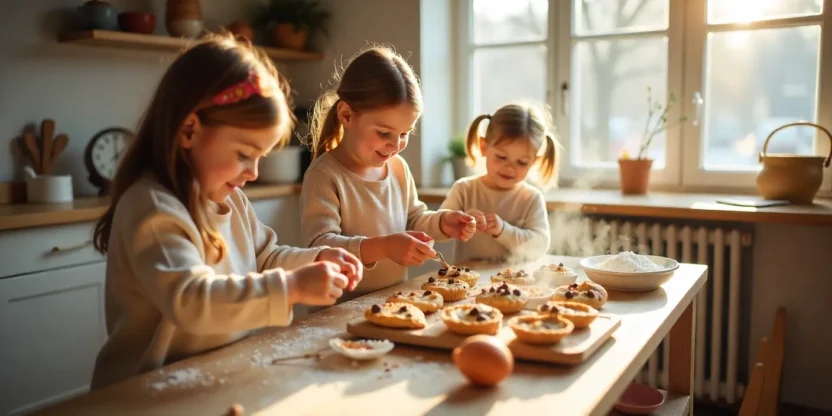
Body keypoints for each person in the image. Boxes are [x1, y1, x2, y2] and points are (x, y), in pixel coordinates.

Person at [89, 34, 362, 389]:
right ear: (189, 130)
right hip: (142, 394)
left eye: (260, 158)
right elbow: (192, 300)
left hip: (210, 377)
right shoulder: (153, 209)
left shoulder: (230, 201)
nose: (253, 173)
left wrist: (316, 258)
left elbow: (266, 256)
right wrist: (292, 286)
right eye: (243, 154)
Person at [300, 46, 476, 302]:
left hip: (393, 303)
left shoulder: (398, 168)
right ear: (346, 115)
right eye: (384, 133)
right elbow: (321, 246)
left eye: (404, 133)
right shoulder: (324, 175)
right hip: (337, 313)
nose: (395, 145)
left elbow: (414, 218)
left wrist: (441, 223)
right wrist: (385, 247)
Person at [440, 102, 560, 263]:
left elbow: (538, 246)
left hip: (517, 285)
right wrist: (459, 222)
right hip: (469, 282)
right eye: (501, 157)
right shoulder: (464, 190)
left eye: (522, 162)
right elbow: (437, 228)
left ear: (534, 162)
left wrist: (504, 230)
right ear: (483, 147)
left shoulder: (531, 198)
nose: (510, 168)